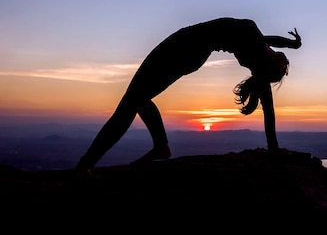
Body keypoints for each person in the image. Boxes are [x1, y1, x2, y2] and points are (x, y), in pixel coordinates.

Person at [75, 17, 302, 175]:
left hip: (185, 47)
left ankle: (86, 164)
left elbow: (269, 107)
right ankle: (160, 147)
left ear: (273, 62)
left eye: (282, 64)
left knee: (132, 101)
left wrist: (273, 147)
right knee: (138, 98)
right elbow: (267, 41)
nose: (284, 62)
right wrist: (293, 44)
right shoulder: (256, 44)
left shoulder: (257, 49)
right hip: (188, 48)